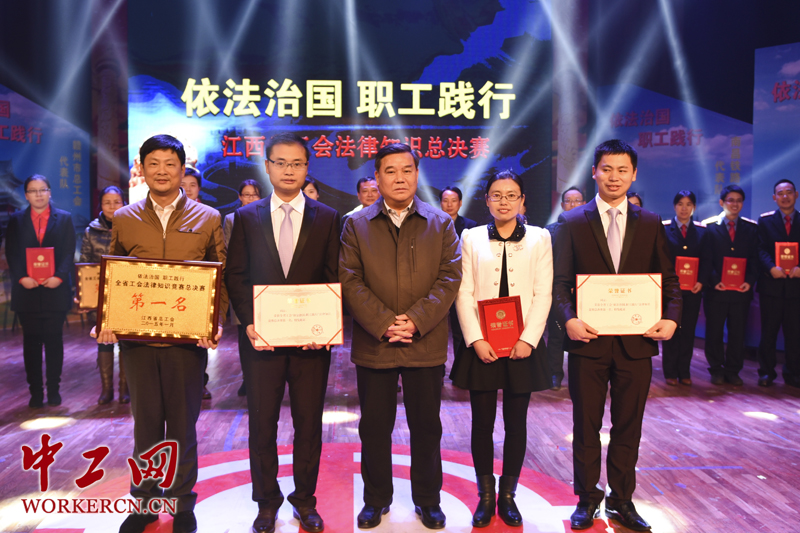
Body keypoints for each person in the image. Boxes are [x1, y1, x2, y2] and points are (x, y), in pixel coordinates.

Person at [93, 134, 226, 533]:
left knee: (183, 426)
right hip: (138, 343)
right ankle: (146, 504)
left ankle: (183, 506)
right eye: (154, 163)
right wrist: (107, 319)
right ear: (142, 168)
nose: (162, 171)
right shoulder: (125, 217)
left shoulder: (208, 217)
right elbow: (114, 274)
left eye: (170, 163)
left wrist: (214, 323)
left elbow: (219, 276)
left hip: (187, 343)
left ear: (183, 169)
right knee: (146, 425)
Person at [553, 139, 681, 531]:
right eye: (606, 169)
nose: (614, 177)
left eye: (622, 170)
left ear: (634, 174)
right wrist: (568, 320)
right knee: (585, 425)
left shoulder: (651, 222)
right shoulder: (572, 222)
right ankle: (586, 498)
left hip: (636, 343)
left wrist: (671, 319)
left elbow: (670, 280)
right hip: (587, 341)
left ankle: (621, 500)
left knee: (629, 426)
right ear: (594, 172)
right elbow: (558, 284)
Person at [340, 143, 461, 530]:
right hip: (375, 343)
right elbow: (350, 279)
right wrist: (383, 322)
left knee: (427, 426)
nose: (399, 178)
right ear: (376, 177)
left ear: (417, 174)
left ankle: (428, 500)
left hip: (424, 342)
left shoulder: (440, 223)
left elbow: (450, 277)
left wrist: (416, 320)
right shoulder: (356, 224)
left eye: (407, 170)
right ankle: (376, 500)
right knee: (374, 427)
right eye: (390, 171)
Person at [226, 133, 340, 533]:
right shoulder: (246, 217)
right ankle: (266, 502)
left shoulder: (328, 217)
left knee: (309, 423)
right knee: (262, 423)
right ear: (268, 167)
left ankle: (305, 500)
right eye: (281, 163)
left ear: (306, 168)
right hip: (261, 340)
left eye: (297, 163)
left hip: (312, 341)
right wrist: (249, 321)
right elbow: (236, 275)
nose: (289, 170)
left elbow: (334, 275)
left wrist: (326, 325)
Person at [451, 170, 552, 527]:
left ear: (522, 200)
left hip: (523, 345)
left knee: (516, 423)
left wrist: (528, 339)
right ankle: (485, 495)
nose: (504, 201)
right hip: (483, 345)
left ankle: (508, 495)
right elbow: (463, 291)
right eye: (497, 195)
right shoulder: (471, 236)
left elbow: (543, 293)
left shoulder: (540, 238)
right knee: (482, 422)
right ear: (487, 200)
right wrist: (476, 339)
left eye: (511, 195)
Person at [5, 175, 75, 408]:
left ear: (49, 192)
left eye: (42, 190)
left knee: (54, 342)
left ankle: (54, 390)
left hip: (55, 290)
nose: (38, 194)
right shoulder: (16, 220)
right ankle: (35, 392)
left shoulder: (64, 219)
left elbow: (68, 252)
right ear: (26, 195)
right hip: (27, 292)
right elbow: (12, 252)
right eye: (33, 191)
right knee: (31, 343)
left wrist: (59, 277)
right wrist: (22, 277)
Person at [701, 184, 759, 386]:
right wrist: (714, 280)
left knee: (738, 332)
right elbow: (705, 258)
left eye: (739, 201)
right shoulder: (709, 227)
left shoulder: (751, 229)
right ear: (721, 202)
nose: (735, 204)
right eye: (730, 200)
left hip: (741, 291)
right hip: (716, 291)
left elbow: (755, 259)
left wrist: (749, 281)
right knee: (714, 332)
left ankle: (733, 370)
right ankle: (716, 369)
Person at [78, 185, 128, 404]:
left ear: (123, 203)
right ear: (101, 205)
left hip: (126, 293)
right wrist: (83, 295)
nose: (112, 206)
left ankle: (124, 389)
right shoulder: (91, 231)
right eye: (107, 202)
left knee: (125, 341)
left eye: (116, 202)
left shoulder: (132, 226)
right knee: (103, 340)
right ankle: (106, 389)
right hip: (100, 294)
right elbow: (85, 263)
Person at [661, 190, 710, 386]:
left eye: (688, 204)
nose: (684, 208)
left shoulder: (702, 231)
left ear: (694, 208)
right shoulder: (664, 229)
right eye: (680, 204)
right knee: (670, 330)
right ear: (674, 206)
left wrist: (701, 281)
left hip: (692, 290)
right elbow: (661, 259)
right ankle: (670, 372)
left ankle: (684, 372)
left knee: (688, 331)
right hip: (670, 291)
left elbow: (707, 260)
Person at [756, 179, 800, 387]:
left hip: (796, 288)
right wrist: (771, 267)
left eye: (789, 192)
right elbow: (760, 249)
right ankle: (766, 373)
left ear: (796, 195)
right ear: (774, 198)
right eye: (780, 193)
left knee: (795, 333)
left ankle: (794, 373)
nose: (785, 196)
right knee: (769, 332)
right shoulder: (765, 222)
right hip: (771, 286)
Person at [222, 179, 263, 397]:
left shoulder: (265, 216)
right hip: (241, 282)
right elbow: (229, 250)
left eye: (254, 195)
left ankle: (264, 377)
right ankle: (248, 378)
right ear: (239, 197)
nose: (250, 198)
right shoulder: (231, 219)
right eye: (246, 195)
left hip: (264, 282)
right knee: (244, 333)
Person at [543, 185, 585, 390]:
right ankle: (554, 374)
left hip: (585, 292)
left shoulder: (592, 229)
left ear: (584, 204)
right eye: (568, 201)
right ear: (562, 205)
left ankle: (582, 376)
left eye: (577, 201)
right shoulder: (550, 231)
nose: (573, 204)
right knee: (556, 334)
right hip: (558, 290)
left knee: (585, 335)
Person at [181, 165, 212, 399]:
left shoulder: (208, 216)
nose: (188, 189)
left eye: (193, 185)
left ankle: (201, 382)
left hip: (199, 288)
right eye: (184, 185)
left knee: (199, 341)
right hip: (173, 285)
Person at [439, 185, 477, 360]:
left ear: (460, 203)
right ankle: (438, 368)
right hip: (439, 283)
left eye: (453, 200)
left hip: (462, 282)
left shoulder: (471, 227)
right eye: (445, 201)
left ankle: (460, 367)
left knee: (460, 327)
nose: (449, 205)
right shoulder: (432, 225)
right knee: (436, 328)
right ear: (440, 203)